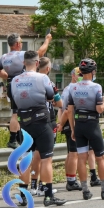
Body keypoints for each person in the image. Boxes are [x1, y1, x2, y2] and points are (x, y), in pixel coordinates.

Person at [11, 50, 66, 207]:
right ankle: (48, 196)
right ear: (37, 63)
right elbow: (53, 99)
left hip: (24, 124)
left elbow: (14, 103)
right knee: (46, 159)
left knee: (25, 160)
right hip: (41, 122)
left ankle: (23, 196)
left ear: (23, 63)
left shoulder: (15, 80)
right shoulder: (43, 78)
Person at [67, 58, 104, 200]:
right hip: (92, 125)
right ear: (93, 72)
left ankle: (85, 191)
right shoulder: (96, 87)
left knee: (81, 158)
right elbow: (99, 109)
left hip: (79, 125)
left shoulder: (73, 87)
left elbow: (70, 110)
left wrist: (72, 129)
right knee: (100, 157)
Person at [0, 33, 52, 149]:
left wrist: (7, 77)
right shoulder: (21, 55)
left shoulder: (4, 57)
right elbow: (39, 54)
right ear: (18, 44)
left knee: (18, 112)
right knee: (17, 113)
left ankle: (19, 137)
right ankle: (13, 139)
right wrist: (47, 41)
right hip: (23, 84)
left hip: (12, 84)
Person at [29, 57, 61, 196]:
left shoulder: (29, 81)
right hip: (47, 120)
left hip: (29, 121)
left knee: (35, 155)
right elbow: (59, 103)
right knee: (46, 157)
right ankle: (44, 187)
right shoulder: (48, 81)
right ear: (48, 69)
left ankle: (33, 185)